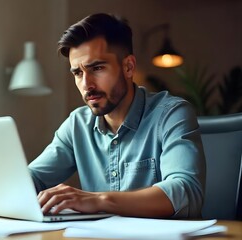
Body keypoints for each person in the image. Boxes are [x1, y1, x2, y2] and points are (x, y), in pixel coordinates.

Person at [28, 13, 206, 218]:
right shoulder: (77, 124)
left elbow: (186, 192)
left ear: (128, 67)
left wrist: (98, 200)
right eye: (78, 73)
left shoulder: (171, 114)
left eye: (97, 68)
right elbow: (32, 178)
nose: (87, 85)